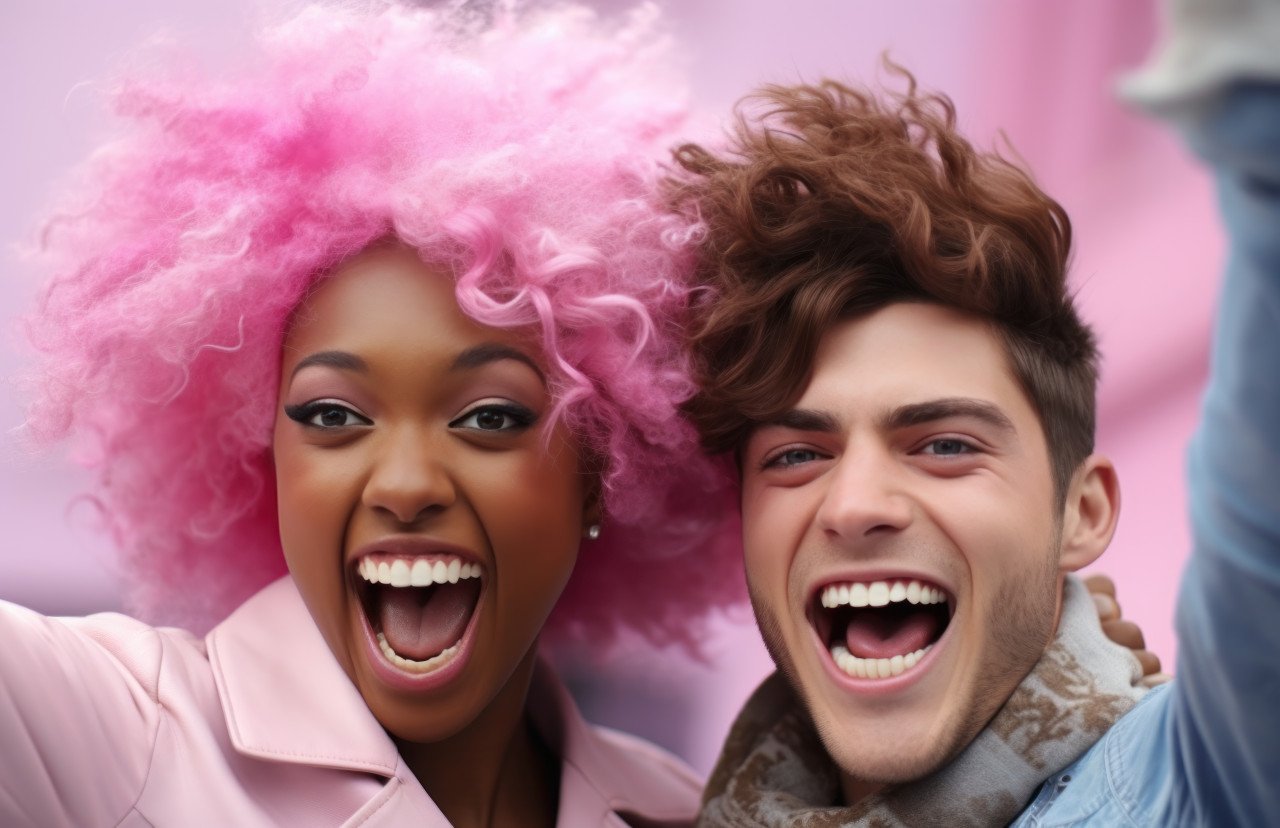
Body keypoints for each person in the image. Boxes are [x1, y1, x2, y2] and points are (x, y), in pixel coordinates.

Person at [1, 4, 743, 826]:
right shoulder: (110, 737)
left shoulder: (683, 812)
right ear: (264, 456)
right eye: (332, 415)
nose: (405, 484)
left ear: (601, 473)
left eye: (490, 418)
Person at [671, 5, 1280, 824]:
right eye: (795, 456)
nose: (854, 507)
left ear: (1082, 511)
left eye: (945, 445)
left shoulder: (1193, 786)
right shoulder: (661, 805)